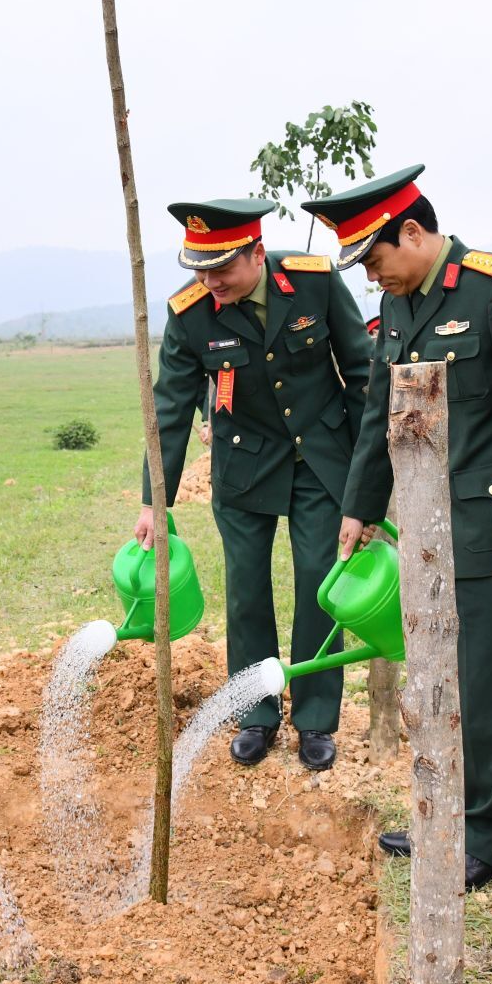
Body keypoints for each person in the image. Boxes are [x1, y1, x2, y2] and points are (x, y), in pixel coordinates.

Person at [303, 165, 492, 890]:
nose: (371, 276)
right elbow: (378, 416)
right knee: (433, 680)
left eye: (375, 258)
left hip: (491, 527)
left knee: (487, 683)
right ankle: (443, 816)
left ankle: (488, 835)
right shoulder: (399, 306)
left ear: (413, 233)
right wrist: (359, 506)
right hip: (422, 528)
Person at [139, 197, 372, 770]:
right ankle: (255, 712)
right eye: (200, 270)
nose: (210, 282)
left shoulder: (313, 282)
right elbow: (170, 410)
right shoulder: (190, 313)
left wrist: (367, 478)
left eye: (222, 268)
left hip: (319, 457)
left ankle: (315, 718)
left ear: (257, 253)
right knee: (246, 588)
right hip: (243, 465)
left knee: (321, 582)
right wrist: (154, 501)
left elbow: (360, 372)